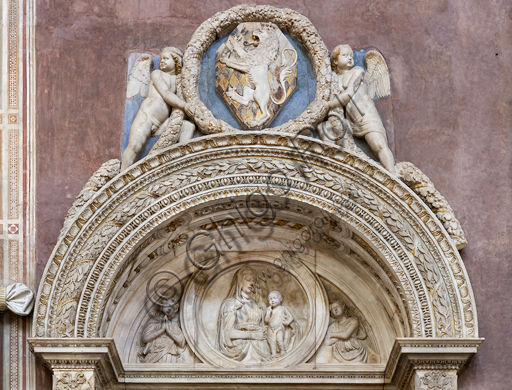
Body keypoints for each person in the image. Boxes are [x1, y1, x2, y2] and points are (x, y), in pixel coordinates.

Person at [319, 44, 396, 174]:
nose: (350, 58)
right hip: (352, 123)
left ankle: (393, 175)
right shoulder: (333, 79)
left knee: (379, 145)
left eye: (351, 55)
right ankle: (332, 166)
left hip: (367, 117)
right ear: (335, 61)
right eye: (345, 55)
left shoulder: (357, 71)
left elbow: (348, 94)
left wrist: (328, 105)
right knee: (324, 127)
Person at [121, 47, 195, 171]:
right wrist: (184, 106)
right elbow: (165, 94)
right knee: (135, 146)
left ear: (176, 61)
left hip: (163, 123)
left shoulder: (178, 81)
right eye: (161, 59)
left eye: (166, 58)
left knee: (188, 127)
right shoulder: (157, 74)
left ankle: (182, 165)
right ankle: (122, 176)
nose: (162, 61)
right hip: (147, 117)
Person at [216, 266, 270, 363]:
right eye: (248, 280)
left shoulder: (260, 305)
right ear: (240, 282)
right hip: (240, 347)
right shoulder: (231, 304)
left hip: (261, 347)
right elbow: (228, 333)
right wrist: (253, 335)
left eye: (253, 280)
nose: (252, 283)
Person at [138, 298, 187, 363]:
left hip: (169, 355)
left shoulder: (173, 325)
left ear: (175, 310)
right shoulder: (154, 321)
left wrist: (169, 331)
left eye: (172, 307)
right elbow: (145, 338)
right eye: (167, 305)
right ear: (162, 306)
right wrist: (161, 331)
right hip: (153, 354)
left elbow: (181, 342)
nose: (169, 308)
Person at [264, 290, 301, 357]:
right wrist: (268, 313)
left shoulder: (282, 308)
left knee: (279, 339)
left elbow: (291, 317)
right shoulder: (269, 310)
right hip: (270, 328)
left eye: (274, 298)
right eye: (270, 299)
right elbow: (266, 321)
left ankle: (282, 351)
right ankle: (273, 353)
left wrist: (287, 322)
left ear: (280, 299)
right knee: (271, 341)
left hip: (279, 327)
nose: (272, 300)